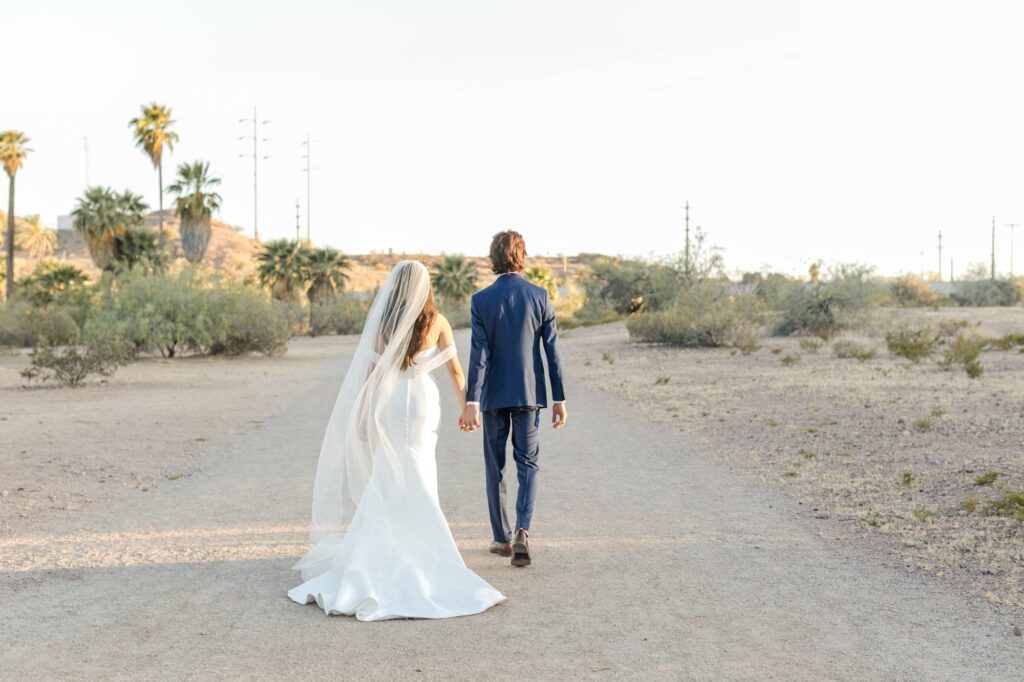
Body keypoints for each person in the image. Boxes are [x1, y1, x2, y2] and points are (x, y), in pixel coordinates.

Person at [288, 261, 505, 620]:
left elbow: (371, 374)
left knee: (387, 470)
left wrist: (361, 416)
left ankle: (377, 549)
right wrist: (469, 407)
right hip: (421, 401)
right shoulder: (437, 321)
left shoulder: (384, 323)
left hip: (388, 400)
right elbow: (454, 370)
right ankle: (426, 546)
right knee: (418, 466)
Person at [460, 230, 567, 567]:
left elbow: (479, 354)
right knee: (528, 464)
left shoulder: (481, 300)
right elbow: (552, 353)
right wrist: (559, 398)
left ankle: (501, 537)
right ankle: (523, 529)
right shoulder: (540, 296)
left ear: (493, 257)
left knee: (496, 466)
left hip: (492, 396)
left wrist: (472, 401)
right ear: (522, 256)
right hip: (530, 395)